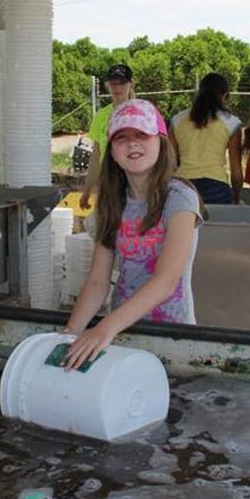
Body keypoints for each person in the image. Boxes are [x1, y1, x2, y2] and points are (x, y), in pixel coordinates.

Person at [64, 99, 204, 368]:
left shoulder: (180, 197)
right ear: (112, 152)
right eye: (122, 137)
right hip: (123, 333)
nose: (133, 143)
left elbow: (167, 279)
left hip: (172, 335)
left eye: (142, 134)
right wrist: (70, 334)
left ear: (161, 142)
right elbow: (97, 281)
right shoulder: (112, 201)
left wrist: (104, 328)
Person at [169, 72, 243, 205]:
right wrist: (236, 198)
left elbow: (170, 165)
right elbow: (236, 174)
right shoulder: (232, 123)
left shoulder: (176, 121)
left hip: (181, 186)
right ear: (225, 95)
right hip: (218, 188)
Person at [80, 63, 136, 210]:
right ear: (107, 85)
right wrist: (87, 190)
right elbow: (96, 155)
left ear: (131, 84)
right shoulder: (101, 115)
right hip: (110, 179)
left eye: (122, 83)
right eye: (113, 83)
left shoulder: (141, 111)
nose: (117, 88)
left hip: (136, 177)